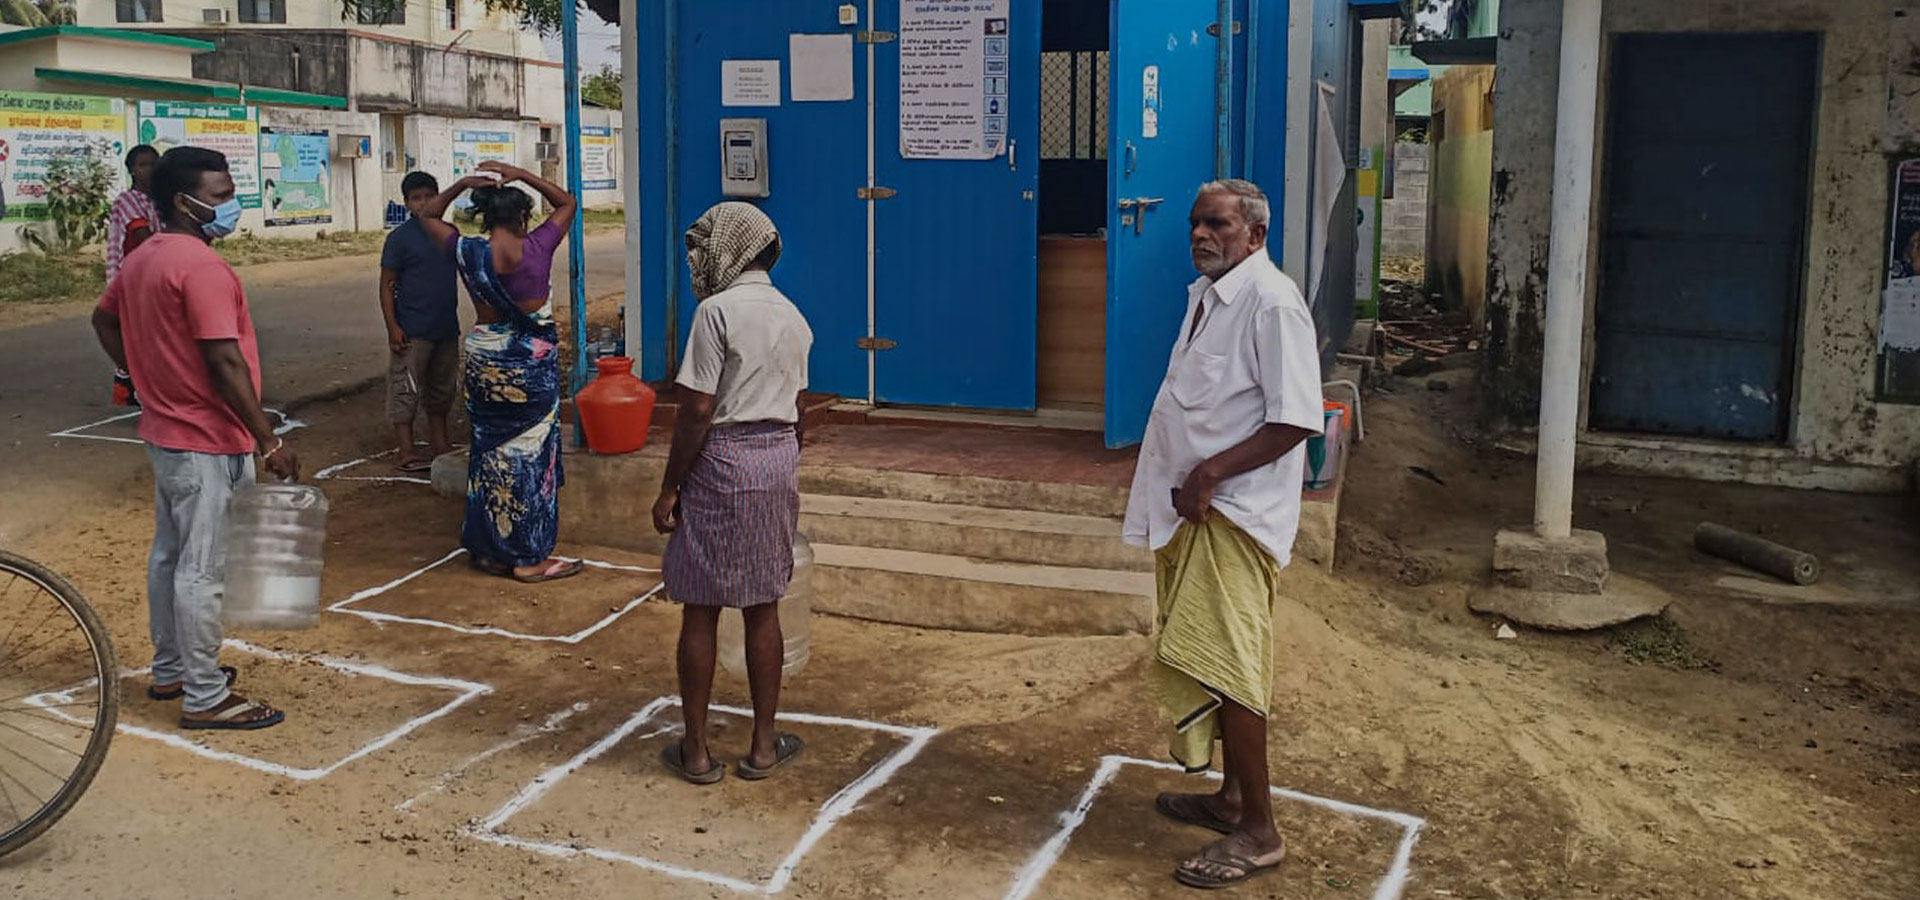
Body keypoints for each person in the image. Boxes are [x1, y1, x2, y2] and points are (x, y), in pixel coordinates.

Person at [1121, 179, 1323, 889]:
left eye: (1219, 226)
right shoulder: (1206, 297)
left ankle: (1260, 831)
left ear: (1255, 235)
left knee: (1236, 668)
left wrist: (1209, 475)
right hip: (1195, 512)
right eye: (1195, 225)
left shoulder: (1271, 303)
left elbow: (1296, 416)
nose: (1202, 236)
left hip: (1234, 516)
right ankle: (1233, 799)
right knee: (1211, 658)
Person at [91, 146, 298, 731]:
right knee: (202, 569)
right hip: (208, 439)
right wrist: (269, 440)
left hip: (166, 433)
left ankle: (172, 667)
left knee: (170, 556)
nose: (231, 205)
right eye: (222, 195)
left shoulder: (144, 257)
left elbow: (103, 320)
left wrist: (141, 373)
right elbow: (224, 360)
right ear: (184, 203)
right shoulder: (202, 267)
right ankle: (205, 695)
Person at [651, 202, 812, 785]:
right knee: (762, 603)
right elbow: (798, 411)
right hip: (776, 461)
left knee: (702, 606)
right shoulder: (793, 316)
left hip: (722, 462)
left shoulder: (715, 313)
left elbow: (696, 407)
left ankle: (696, 752)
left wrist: (671, 486)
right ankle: (764, 746)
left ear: (729, 251)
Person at [414, 161, 583, 584]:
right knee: (530, 458)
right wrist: (522, 173)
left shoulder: (467, 251)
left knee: (489, 455)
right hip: (529, 365)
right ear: (525, 217)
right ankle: (528, 557)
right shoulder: (539, 247)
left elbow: (426, 215)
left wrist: (460, 185)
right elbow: (567, 202)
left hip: (485, 360)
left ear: (486, 217)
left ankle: (490, 549)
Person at [380, 171, 463, 473]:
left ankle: (439, 442)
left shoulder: (449, 233)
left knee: (442, 389)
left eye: (429, 196)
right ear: (407, 203)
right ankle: (406, 448)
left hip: (445, 326)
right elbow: (387, 284)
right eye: (417, 198)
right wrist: (393, 326)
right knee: (406, 387)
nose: (424, 202)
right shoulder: (399, 239)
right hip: (412, 329)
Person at [105, 144, 160, 408]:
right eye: (143, 165)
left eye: (153, 163)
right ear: (132, 170)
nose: (149, 170)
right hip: (134, 276)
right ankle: (130, 389)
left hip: (158, 275)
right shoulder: (128, 200)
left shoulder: (162, 201)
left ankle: (139, 386)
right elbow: (142, 236)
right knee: (138, 336)